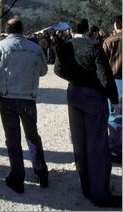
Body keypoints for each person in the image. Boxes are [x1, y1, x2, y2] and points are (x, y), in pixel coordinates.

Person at [54, 18, 121, 208]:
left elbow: (58, 70)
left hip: (73, 93)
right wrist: (114, 100)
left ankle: (86, 187)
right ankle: (100, 194)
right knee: (97, 145)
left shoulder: (65, 46)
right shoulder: (93, 47)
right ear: (87, 29)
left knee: (80, 143)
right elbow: (104, 77)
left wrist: (75, 78)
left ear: (72, 30)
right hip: (93, 96)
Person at [0, 18, 49, 194]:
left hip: (7, 98)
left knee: (12, 139)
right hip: (28, 98)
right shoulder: (35, 48)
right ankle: (42, 174)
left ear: (7, 29)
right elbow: (43, 71)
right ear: (22, 29)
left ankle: (17, 178)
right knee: (32, 136)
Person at [103, 15, 122, 115]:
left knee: (115, 113)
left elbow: (102, 63)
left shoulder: (109, 41)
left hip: (114, 80)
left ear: (116, 26)